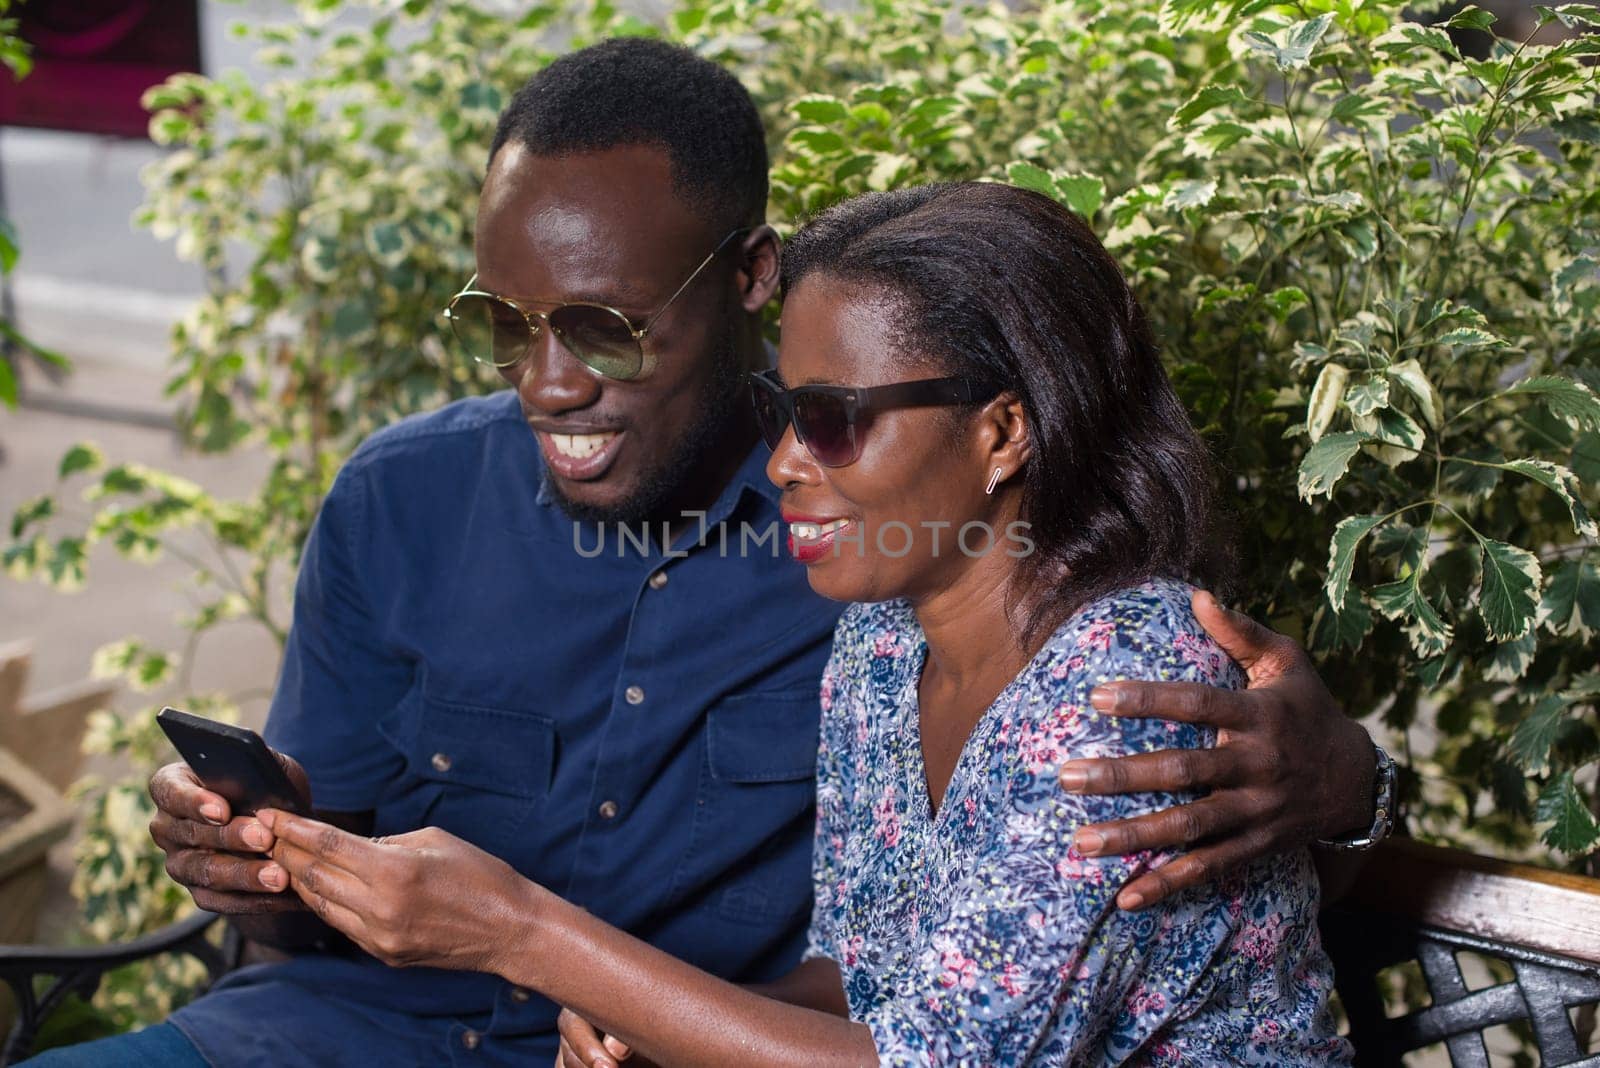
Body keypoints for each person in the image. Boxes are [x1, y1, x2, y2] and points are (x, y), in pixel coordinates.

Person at [33, 38, 1378, 1068]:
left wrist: (1348, 778)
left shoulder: (1067, 657)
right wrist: (267, 862)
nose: (549, 383)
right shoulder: (874, 627)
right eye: (505, 326)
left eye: (606, 328)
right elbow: (865, 968)